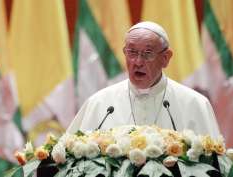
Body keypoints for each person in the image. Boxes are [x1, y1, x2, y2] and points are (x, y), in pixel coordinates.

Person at [67, 21, 220, 138]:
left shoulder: (195, 104)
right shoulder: (100, 104)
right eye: (131, 52)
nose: (138, 62)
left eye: (147, 54)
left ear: (165, 58)